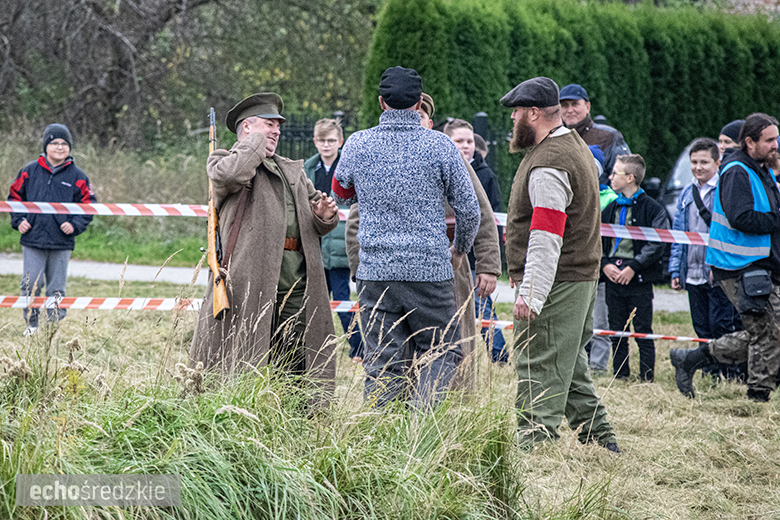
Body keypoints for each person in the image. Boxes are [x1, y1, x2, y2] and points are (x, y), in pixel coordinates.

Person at [332, 67, 480, 409]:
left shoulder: (358, 144)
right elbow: (470, 211)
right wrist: (458, 250)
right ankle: (421, 422)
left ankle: (380, 438)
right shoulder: (441, 146)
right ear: (418, 104)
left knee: (382, 360)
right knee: (442, 351)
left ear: (382, 102)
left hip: (375, 270)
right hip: (430, 269)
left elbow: (340, 194)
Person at [189, 93, 340, 405]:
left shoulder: (292, 170)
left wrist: (325, 215)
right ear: (246, 128)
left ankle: (299, 416)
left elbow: (315, 215)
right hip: (250, 279)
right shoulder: (224, 161)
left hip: (296, 279)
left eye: (278, 126)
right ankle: (236, 413)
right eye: (268, 125)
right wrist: (254, 143)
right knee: (243, 355)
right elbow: (230, 175)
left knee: (298, 356)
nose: (277, 131)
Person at [502, 76, 618, 451]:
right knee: (570, 369)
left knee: (539, 367)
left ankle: (532, 453)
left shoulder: (550, 163)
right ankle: (603, 444)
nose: (513, 119)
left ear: (534, 113)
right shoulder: (573, 145)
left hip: (557, 284)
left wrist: (531, 293)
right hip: (577, 278)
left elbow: (546, 234)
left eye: (517, 111)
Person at [671, 113, 780, 402]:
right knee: (766, 332)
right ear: (750, 142)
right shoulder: (736, 171)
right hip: (739, 266)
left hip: (760, 265)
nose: (775, 145)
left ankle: (693, 357)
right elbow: (741, 217)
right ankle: (758, 396)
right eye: (769, 140)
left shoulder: (760, 168)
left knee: (768, 332)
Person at [8, 123, 96, 336]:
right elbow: (14, 197)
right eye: (54, 143)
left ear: (70, 148)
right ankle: (32, 325)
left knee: (56, 288)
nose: (59, 147)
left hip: (61, 242)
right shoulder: (30, 171)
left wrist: (74, 225)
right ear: (46, 145)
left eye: (64, 144)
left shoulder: (78, 176)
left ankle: (52, 327)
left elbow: (89, 205)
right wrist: (19, 220)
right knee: (30, 285)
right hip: (33, 240)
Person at [668, 138, 743, 378]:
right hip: (692, 271)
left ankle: (727, 372)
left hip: (717, 269)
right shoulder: (686, 194)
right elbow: (678, 235)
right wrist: (675, 270)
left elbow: (729, 233)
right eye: (694, 162)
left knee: (721, 324)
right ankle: (708, 372)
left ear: (717, 162)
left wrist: (718, 263)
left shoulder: (724, 191)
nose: (698, 167)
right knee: (700, 326)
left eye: (704, 162)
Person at [442, 119, 507, 363]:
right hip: (445, 252)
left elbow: (490, 215)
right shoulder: (440, 165)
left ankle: (498, 352)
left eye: (469, 141)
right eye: (459, 141)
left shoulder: (485, 174)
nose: (466, 146)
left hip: (469, 255)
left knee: (481, 306)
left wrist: (487, 261)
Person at [601, 154, 668, 382]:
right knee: (616, 330)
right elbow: (596, 241)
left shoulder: (653, 209)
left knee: (642, 331)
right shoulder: (610, 208)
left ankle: (647, 378)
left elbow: (657, 243)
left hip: (638, 278)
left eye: (615, 173)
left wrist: (634, 267)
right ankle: (620, 375)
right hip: (612, 276)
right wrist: (604, 265)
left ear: (630, 178)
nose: (610, 177)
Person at [303, 119, 364, 363]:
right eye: (321, 140)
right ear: (315, 142)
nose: (326, 145)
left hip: (340, 249)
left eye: (331, 140)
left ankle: (359, 348)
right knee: (314, 303)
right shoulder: (308, 169)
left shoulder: (347, 168)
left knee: (342, 303)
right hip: (316, 246)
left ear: (340, 142)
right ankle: (313, 348)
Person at [585, 145, 616, 374]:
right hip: (576, 268)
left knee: (600, 321)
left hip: (601, 269)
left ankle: (597, 366)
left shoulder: (610, 199)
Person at [559, 83, 630, 182]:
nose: (570, 110)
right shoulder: (555, 138)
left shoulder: (609, 136)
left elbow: (625, 175)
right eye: (564, 105)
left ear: (587, 107)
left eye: (575, 104)